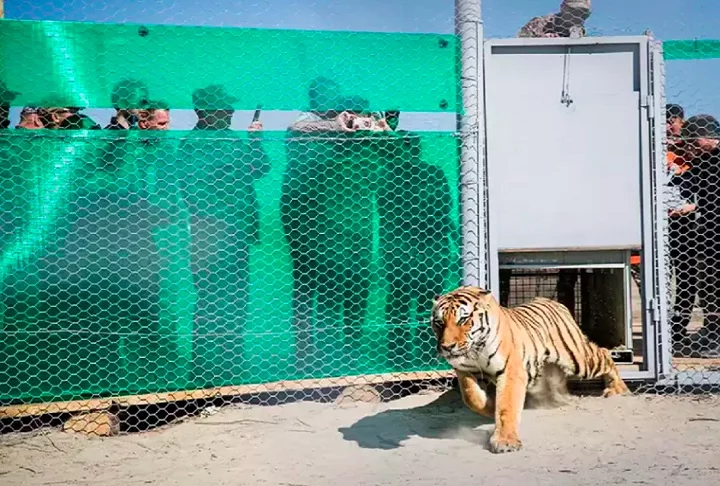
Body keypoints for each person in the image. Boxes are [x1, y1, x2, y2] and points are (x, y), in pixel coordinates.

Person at [281, 81, 384, 373]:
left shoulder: (355, 140)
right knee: (312, 283)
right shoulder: (310, 124)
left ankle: (349, 348)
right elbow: (297, 128)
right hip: (311, 219)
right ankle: (308, 353)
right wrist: (335, 127)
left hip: (351, 224)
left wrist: (378, 130)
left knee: (354, 284)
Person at [178, 84, 270, 387]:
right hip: (211, 234)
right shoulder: (193, 145)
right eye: (224, 107)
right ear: (203, 112)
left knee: (236, 302)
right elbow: (195, 192)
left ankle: (231, 369)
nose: (230, 112)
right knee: (210, 303)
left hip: (237, 234)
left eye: (230, 107)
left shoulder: (231, 139)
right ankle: (204, 373)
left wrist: (255, 140)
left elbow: (260, 168)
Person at [682, 114, 720, 358]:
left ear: (708, 137)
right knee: (708, 288)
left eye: (694, 142)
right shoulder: (702, 162)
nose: (691, 148)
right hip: (707, 234)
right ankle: (712, 330)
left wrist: (692, 208)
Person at [663, 104, 699, 353]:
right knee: (661, 276)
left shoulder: (692, 152)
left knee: (686, 274)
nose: (668, 127)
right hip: (661, 223)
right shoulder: (657, 150)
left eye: (672, 121)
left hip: (686, 223)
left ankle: (678, 327)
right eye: (665, 122)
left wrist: (690, 207)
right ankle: (664, 326)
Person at [518, 0, 591, 38]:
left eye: (583, 13)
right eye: (573, 10)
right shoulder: (540, 23)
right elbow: (519, 42)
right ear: (562, 8)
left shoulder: (580, 32)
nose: (578, 16)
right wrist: (540, 39)